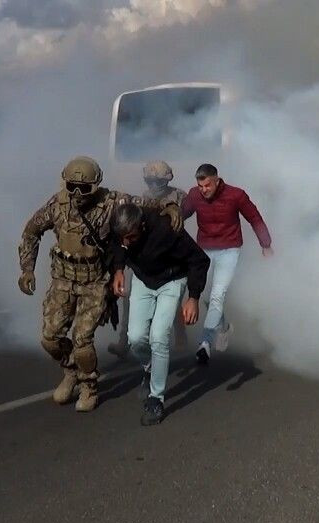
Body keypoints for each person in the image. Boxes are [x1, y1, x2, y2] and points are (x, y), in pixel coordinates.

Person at [18, 156, 183, 412]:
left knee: (82, 339)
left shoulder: (111, 201)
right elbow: (31, 231)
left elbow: (145, 203)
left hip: (94, 282)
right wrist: (27, 269)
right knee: (50, 338)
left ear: (95, 186)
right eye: (71, 186)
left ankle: (88, 385)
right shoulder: (57, 204)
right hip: (62, 281)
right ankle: (70, 370)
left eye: (83, 188)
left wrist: (169, 207)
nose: (76, 193)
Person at [110, 203, 209, 425]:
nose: (126, 243)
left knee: (159, 336)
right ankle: (149, 367)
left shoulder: (167, 230)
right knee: (135, 338)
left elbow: (199, 260)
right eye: (122, 237)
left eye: (131, 237)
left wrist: (193, 297)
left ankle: (156, 399)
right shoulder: (119, 226)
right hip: (144, 279)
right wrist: (118, 269)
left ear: (142, 226)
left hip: (171, 281)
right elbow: (118, 245)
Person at [182, 163, 273, 365]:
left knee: (217, 295)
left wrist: (265, 244)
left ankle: (204, 343)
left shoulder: (236, 195)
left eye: (207, 185)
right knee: (202, 295)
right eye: (200, 186)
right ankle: (223, 327)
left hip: (230, 250)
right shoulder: (194, 195)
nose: (203, 190)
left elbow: (254, 218)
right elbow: (180, 215)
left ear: (217, 180)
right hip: (204, 251)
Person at [108, 160, 188, 359]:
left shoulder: (180, 196)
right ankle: (124, 341)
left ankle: (180, 335)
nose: (153, 186)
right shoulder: (143, 198)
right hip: (142, 253)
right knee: (129, 299)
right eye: (149, 181)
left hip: (170, 253)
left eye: (157, 181)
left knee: (173, 300)